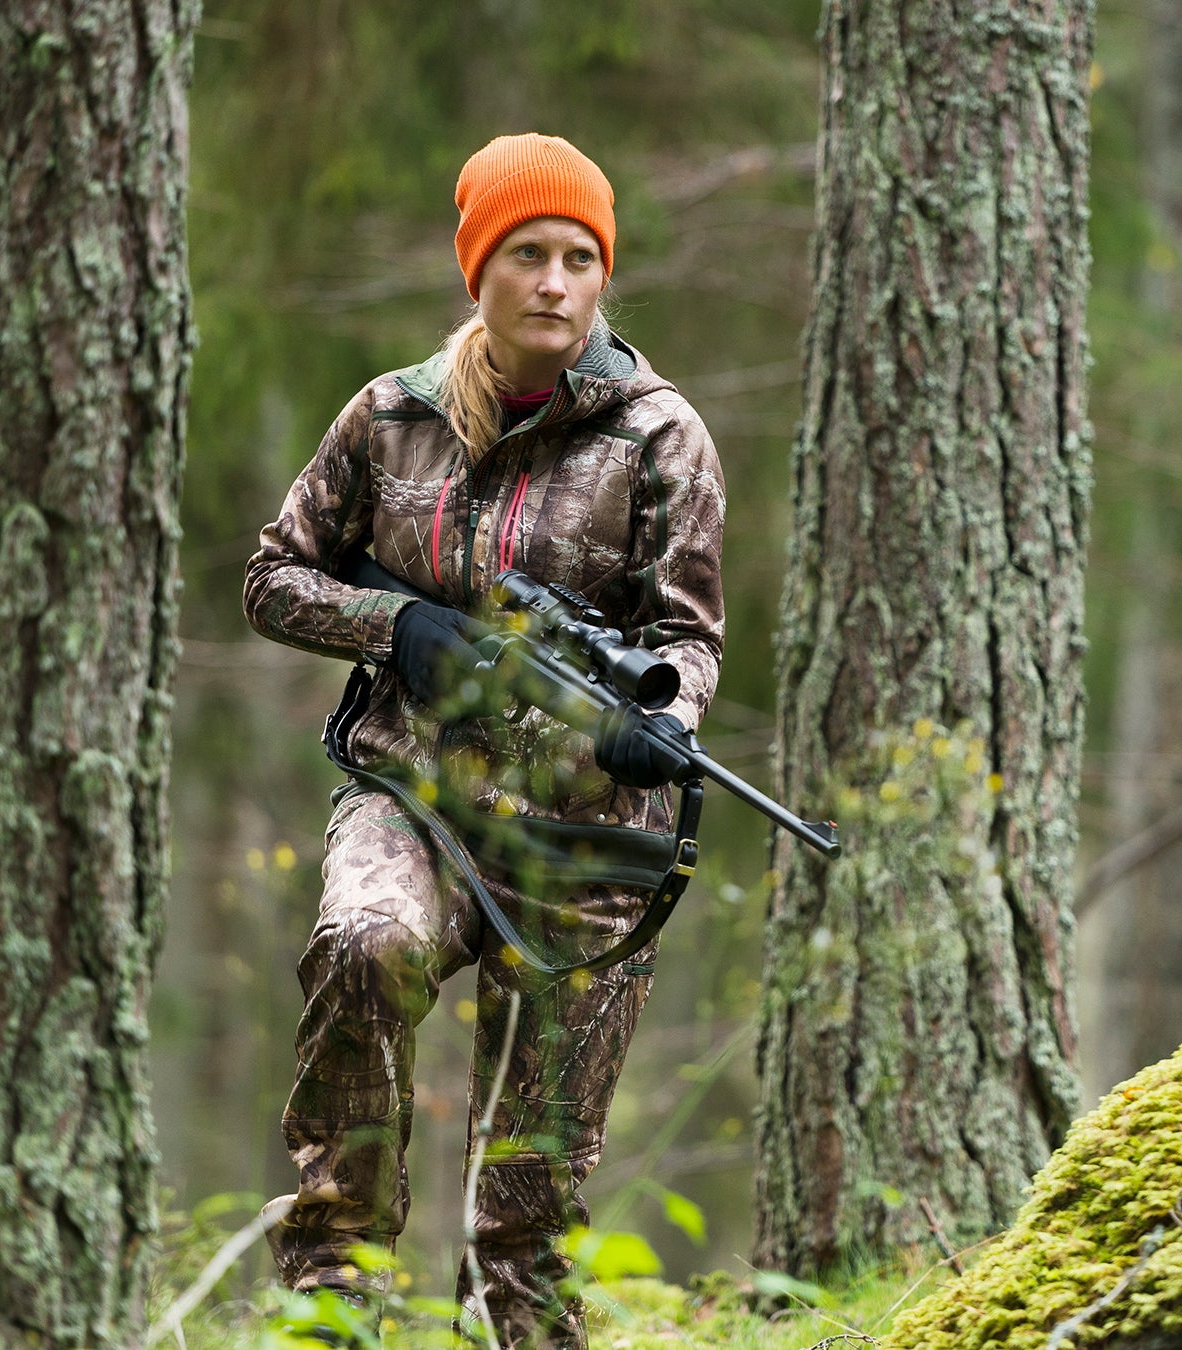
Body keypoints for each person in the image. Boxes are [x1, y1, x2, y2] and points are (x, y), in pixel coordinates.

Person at [242, 132, 726, 1347]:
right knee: (364, 945)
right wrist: (395, 626)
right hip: (413, 792)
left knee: (528, 1206)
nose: (555, 283)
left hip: (587, 844)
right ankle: (332, 1311)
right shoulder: (390, 418)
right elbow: (272, 577)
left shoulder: (663, 437)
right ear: (479, 270)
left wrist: (661, 722)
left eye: (579, 258)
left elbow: (690, 639)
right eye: (527, 254)